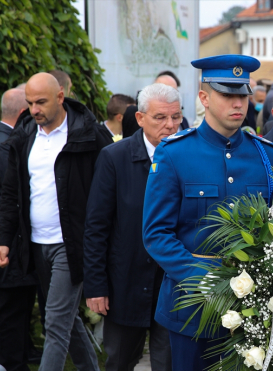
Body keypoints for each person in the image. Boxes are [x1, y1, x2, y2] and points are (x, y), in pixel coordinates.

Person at [142, 54, 273, 371]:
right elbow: (156, 235)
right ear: (204, 97)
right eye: (227, 93)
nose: (238, 102)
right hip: (192, 308)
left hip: (253, 309)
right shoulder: (175, 153)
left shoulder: (266, 155)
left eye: (242, 93)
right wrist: (210, 282)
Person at [0, 72, 113, 371]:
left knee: (55, 323)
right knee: (65, 319)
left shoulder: (89, 134)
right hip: (36, 244)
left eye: (41, 102)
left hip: (71, 244)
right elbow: (12, 193)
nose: (35, 109)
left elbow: (109, 189)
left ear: (60, 96)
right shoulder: (24, 136)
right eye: (30, 103)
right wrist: (3, 239)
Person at [84, 84, 178, 371]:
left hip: (172, 285)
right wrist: (96, 285)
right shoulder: (115, 158)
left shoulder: (185, 156)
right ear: (140, 119)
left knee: (170, 364)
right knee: (120, 361)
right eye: (160, 118)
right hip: (124, 284)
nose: (170, 125)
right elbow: (96, 226)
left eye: (176, 117)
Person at [0, 88, 41, 371]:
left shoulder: (3, 141)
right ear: (22, 113)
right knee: (12, 313)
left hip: (10, 243)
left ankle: (20, 358)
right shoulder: (6, 146)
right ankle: (12, 364)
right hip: (8, 245)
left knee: (18, 309)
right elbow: (15, 196)